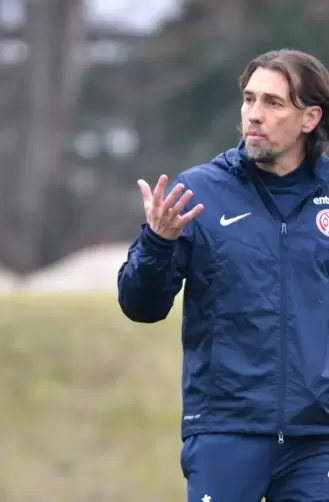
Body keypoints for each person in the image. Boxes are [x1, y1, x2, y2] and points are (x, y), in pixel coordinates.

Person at [118, 49, 329, 502]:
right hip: (227, 430)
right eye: (249, 100)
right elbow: (140, 306)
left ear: (310, 117)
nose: (254, 115)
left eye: (273, 103)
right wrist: (158, 242)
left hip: (319, 439)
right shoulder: (198, 193)